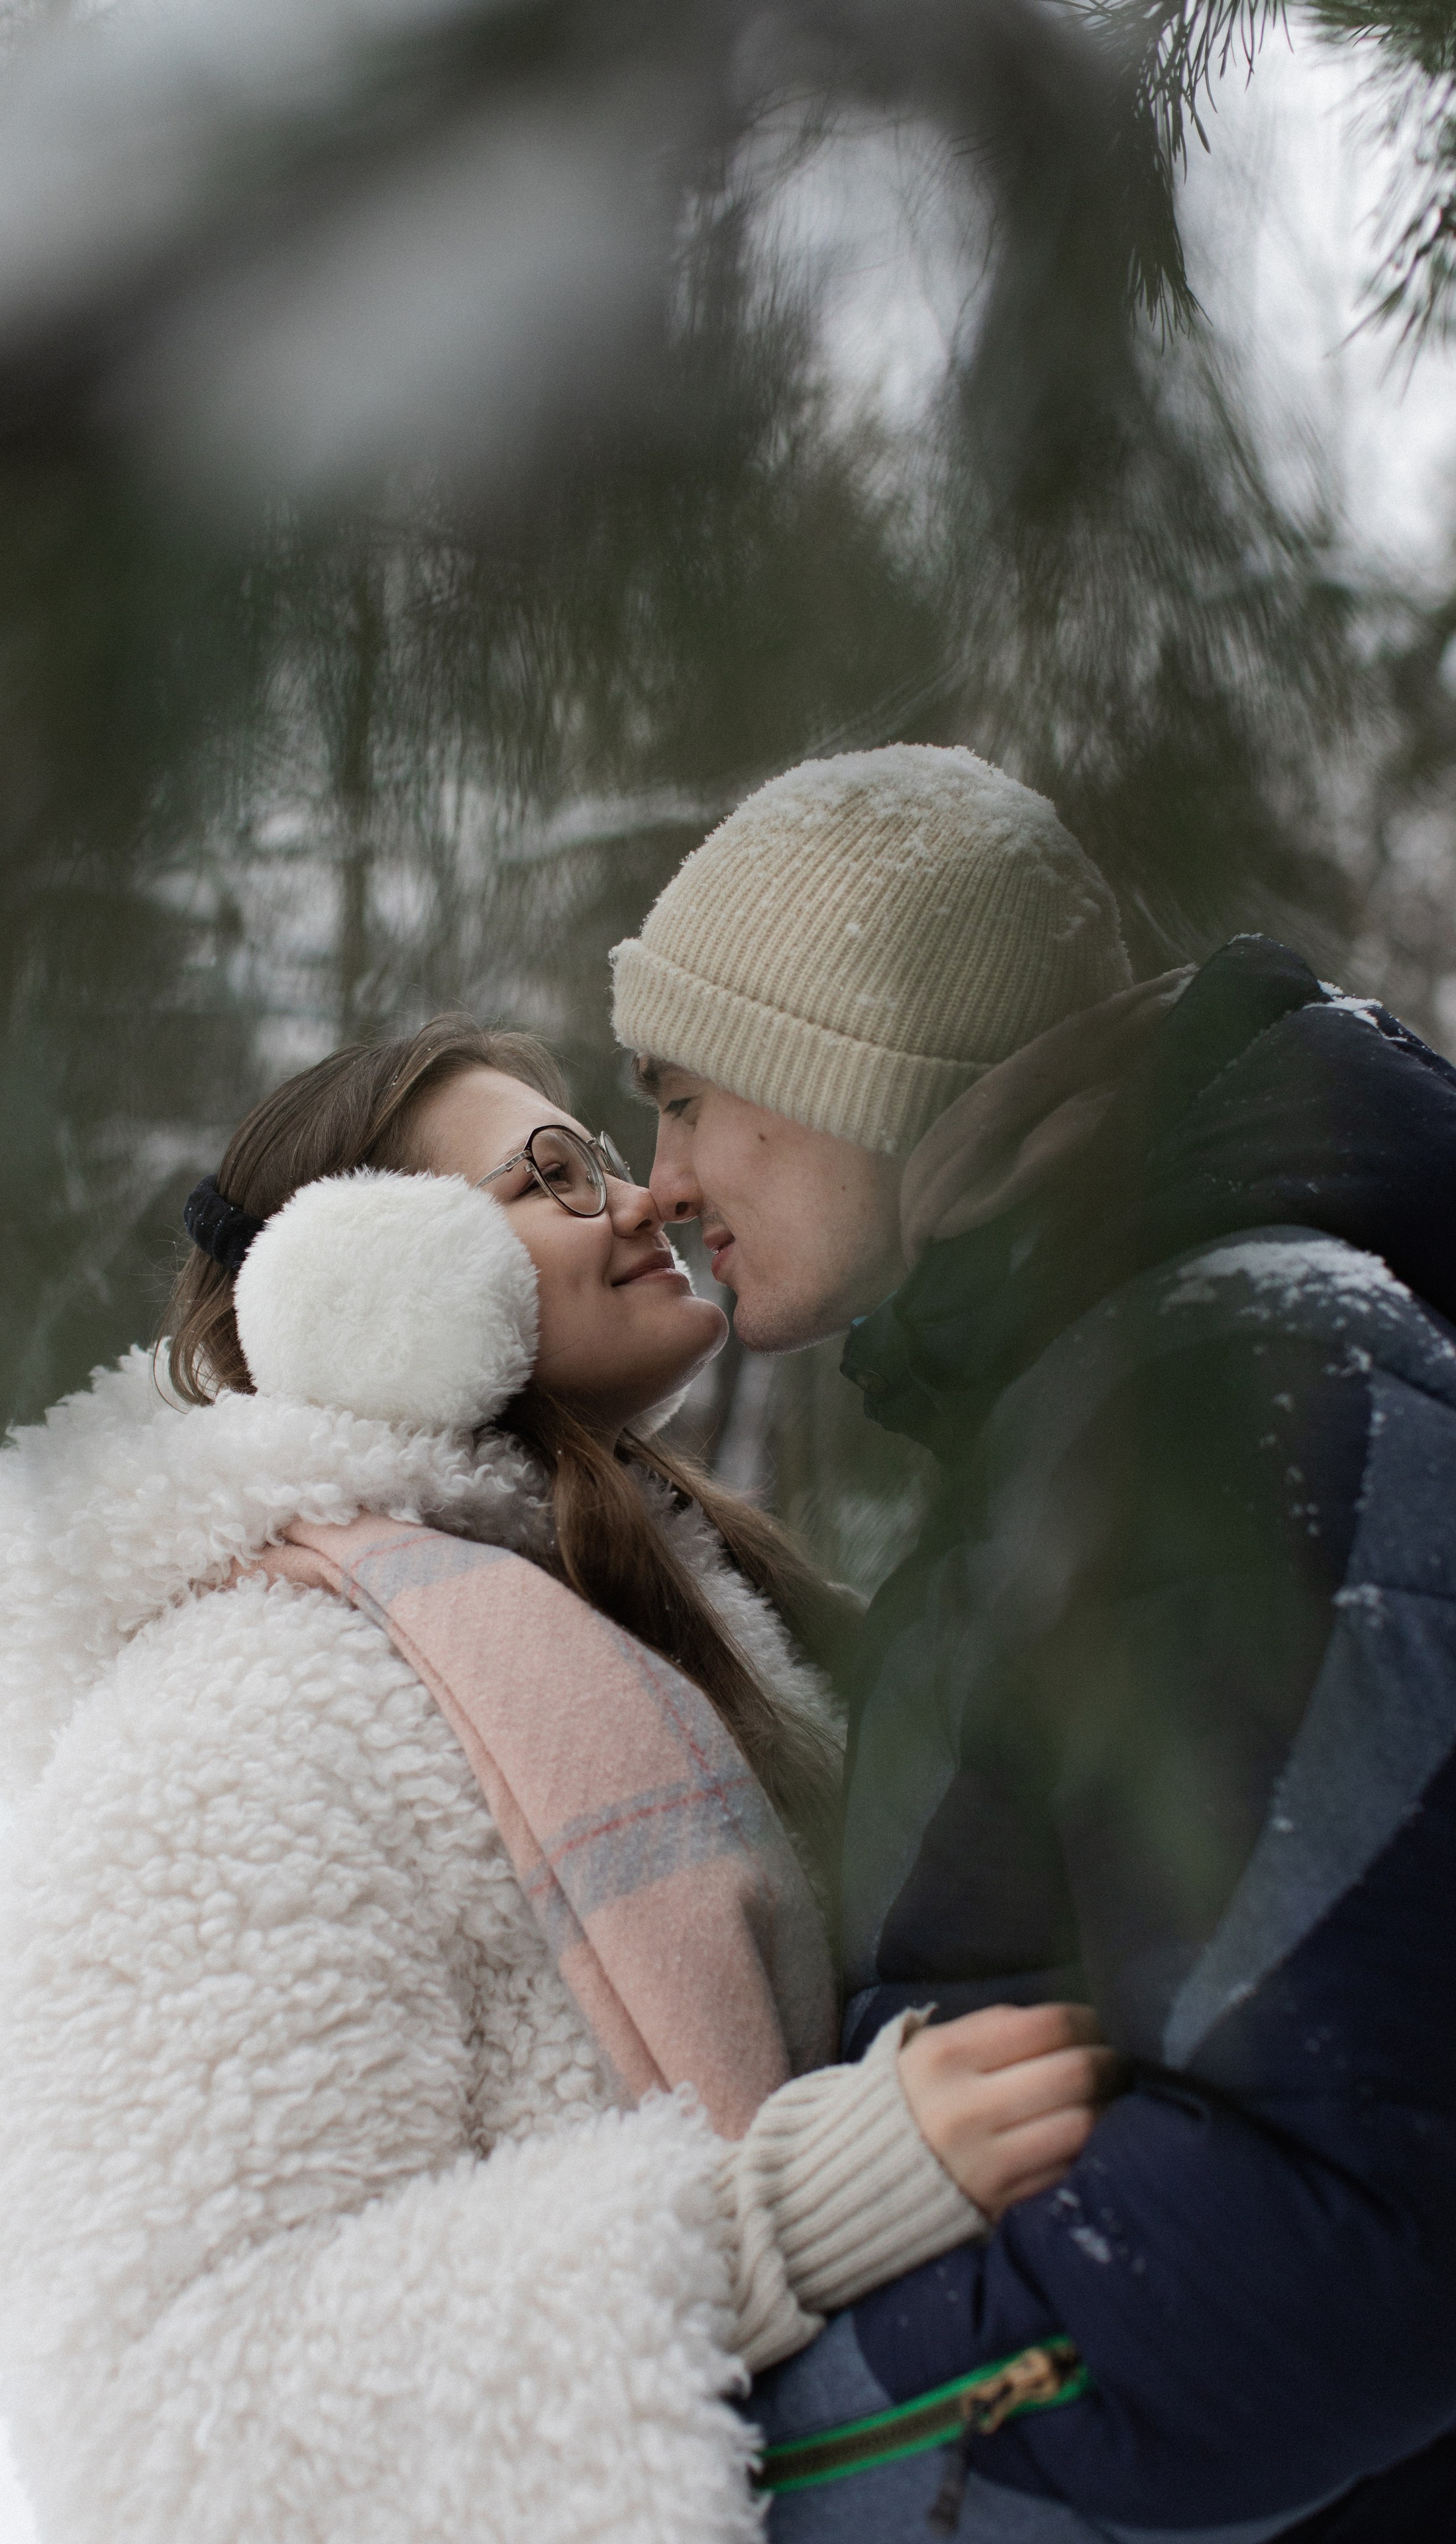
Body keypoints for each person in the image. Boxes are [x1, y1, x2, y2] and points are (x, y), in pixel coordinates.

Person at [0, 1016, 1114, 2544]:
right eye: (549, 1175)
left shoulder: (668, 1609)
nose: (639, 1201)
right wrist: (778, 2223)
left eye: (608, 1159)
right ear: (373, 1278)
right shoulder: (245, 1715)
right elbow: (176, 2422)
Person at [612, 745, 1456, 2541]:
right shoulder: (1093, 1391)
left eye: (684, 1096)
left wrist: (771, 2477)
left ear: (849, 1065)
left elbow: (1329, 2221)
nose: (659, 1177)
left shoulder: (1237, 1383)